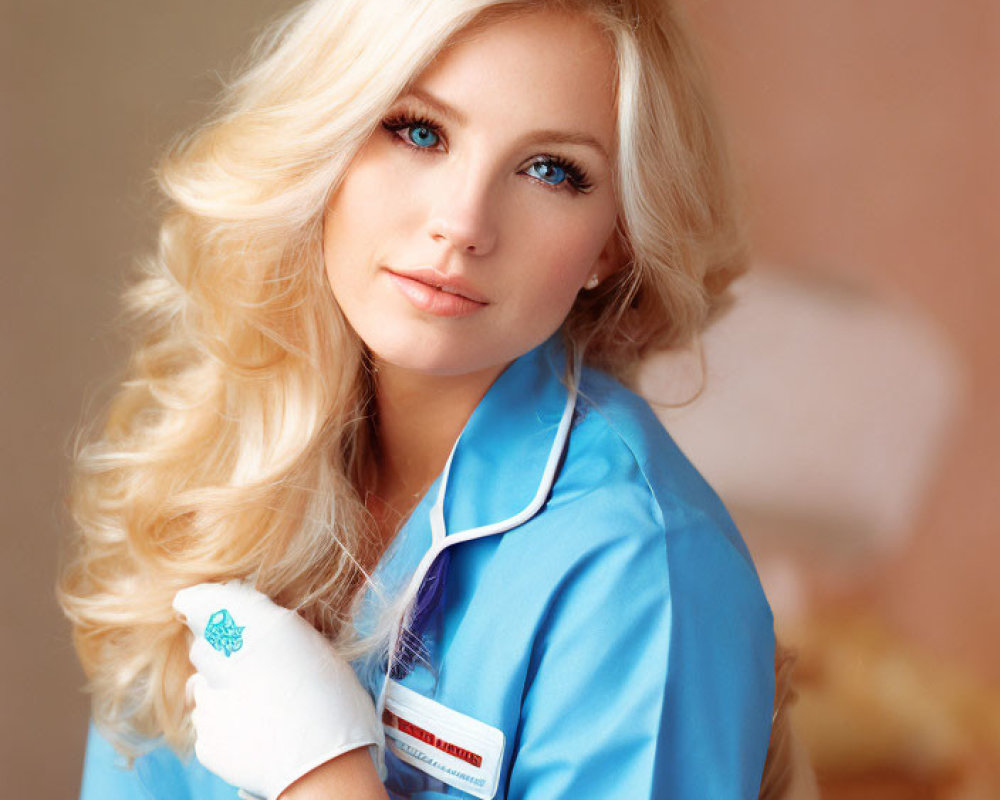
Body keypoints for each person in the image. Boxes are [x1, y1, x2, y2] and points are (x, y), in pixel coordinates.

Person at [59, 0, 794, 798]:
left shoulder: (646, 571)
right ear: (328, 141)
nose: (462, 223)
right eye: (419, 131)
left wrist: (327, 782)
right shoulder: (225, 451)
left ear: (611, 242)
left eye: (551, 170)